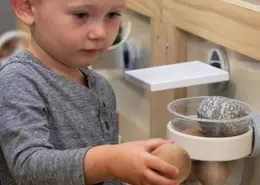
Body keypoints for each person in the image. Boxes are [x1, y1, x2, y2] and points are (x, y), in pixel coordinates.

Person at [0, 0, 180, 185]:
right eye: (81, 15)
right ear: (27, 8)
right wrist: (110, 161)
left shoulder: (101, 87)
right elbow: (28, 167)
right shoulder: (17, 80)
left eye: (112, 15)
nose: (100, 33)